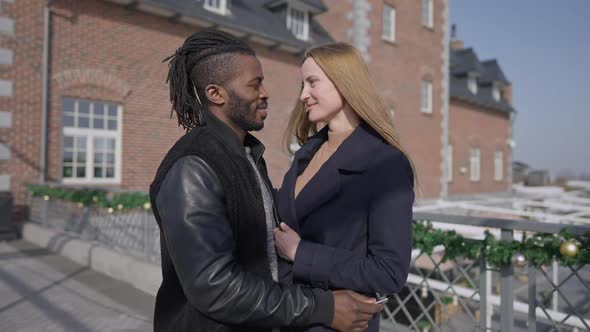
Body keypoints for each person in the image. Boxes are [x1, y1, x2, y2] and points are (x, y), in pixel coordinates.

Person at [149, 30, 382, 332]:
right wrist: (323, 307)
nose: (265, 93)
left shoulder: (245, 156)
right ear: (215, 93)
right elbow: (215, 288)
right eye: (254, 84)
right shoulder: (193, 168)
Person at [274, 42, 416, 332]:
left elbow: (389, 272)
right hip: (290, 314)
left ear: (344, 82)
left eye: (312, 82)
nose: (303, 95)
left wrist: (302, 253)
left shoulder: (386, 163)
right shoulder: (307, 154)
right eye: (303, 84)